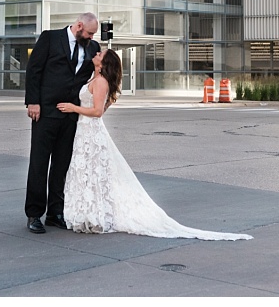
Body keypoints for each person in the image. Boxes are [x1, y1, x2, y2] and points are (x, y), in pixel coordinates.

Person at [56, 49, 252, 241]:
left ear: (104, 63)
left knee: (94, 171)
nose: (96, 54)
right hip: (85, 130)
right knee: (89, 171)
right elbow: (102, 106)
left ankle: (95, 216)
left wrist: (73, 108)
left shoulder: (100, 81)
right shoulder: (95, 78)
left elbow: (98, 111)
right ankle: (89, 213)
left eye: (100, 55)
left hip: (91, 130)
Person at [24, 12, 102, 234]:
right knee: (39, 163)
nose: (91, 37)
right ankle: (34, 214)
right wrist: (33, 102)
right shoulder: (50, 38)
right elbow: (34, 70)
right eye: (88, 32)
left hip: (71, 115)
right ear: (78, 26)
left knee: (61, 165)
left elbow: (94, 74)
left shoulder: (92, 45)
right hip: (46, 112)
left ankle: (55, 213)